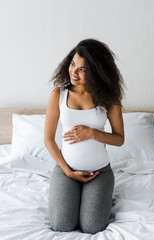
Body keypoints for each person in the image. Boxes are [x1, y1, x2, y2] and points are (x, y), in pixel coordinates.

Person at [44, 38, 125, 234]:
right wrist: (68, 171)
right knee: (61, 225)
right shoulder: (59, 94)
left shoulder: (109, 98)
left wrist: (93, 133)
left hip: (99, 173)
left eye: (83, 69)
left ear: (97, 72)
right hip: (66, 170)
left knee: (92, 227)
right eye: (73, 64)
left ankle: (96, 195)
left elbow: (119, 139)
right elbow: (48, 139)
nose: (73, 72)